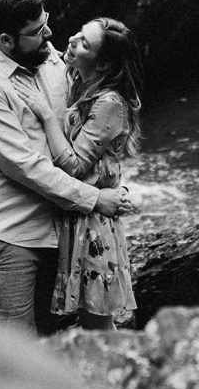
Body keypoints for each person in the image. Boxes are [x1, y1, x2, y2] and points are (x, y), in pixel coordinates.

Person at [0, 0, 134, 335]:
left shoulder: (52, 61)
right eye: (38, 31)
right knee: (15, 349)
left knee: (57, 344)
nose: (50, 35)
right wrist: (95, 199)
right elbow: (26, 167)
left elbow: (88, 131)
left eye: (46, 23)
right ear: (6, 40)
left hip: (63, 231)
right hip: (10, 235)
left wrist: (108, 174)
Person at [26, 17, 142, 330]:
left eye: (84, 43)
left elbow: (75, 165)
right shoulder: (82, 85)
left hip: (93, 227)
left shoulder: (109, 103)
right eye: (78, 32)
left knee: (98, 326)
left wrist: (48, 117)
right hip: (78, 218)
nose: (73, 40)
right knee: (91, 324)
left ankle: (125, 377)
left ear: (102, 65)